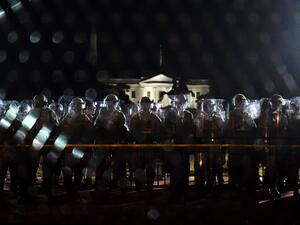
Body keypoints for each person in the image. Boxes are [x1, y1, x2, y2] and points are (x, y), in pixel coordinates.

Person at [94, 94, 129, 200]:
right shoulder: (101, 114)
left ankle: (121, 191)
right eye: (108, 102)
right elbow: (96, 128)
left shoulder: (120, 115)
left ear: (116, 103)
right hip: (103, 145)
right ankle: (101, 191)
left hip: (116, 145)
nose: (110, 104)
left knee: (119, 169)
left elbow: (123, 130)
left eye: (113, 102)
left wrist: (118, 142)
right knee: (101, 169)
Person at [163, 94, 194, 199]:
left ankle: (184, 191)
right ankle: (174, 191)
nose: (179, 105)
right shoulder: (170, 115)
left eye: (182, 102)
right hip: (174, 146)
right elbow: (167, 130)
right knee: (175, 169)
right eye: (177, 102)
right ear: (174, 103)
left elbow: (191, 129)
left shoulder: (188, 115)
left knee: (184, 168)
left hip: (184, 146)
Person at [129, 96, 163, 192]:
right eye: (143, 103)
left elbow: (159, 132)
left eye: (147, 103)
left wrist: (153, 136)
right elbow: (132, 132)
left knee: (150, 170)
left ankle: (149, 189)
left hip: (150, 146)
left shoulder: (155, 118)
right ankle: (138, 189)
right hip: (138, 147)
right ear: (140, 105)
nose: (145, 105)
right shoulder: (135, 118)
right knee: (138, 169)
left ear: (150, 105)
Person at [227, 94, 257, 194]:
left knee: (246, 169)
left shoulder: (248, 114)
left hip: (245, 147)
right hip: (234, 146)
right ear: (235, 103)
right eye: (238, 101)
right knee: (234, 169)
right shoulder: (231, 114)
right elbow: (228, 129)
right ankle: (234, 188)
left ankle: (245, 188)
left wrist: (247, 118)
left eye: (242, 101)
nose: (240, 103)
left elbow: (254, 127)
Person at [194, 99, 225, 192]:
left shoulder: (217, 116)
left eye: (211, 106)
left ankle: (220, 184)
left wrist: (215, 120)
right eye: (207, 106)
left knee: (217, 166)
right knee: (206, 166)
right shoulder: (200, 117)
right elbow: (198, 132)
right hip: (205, 146)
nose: (209, 108)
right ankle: (207, 185)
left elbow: (222, 127)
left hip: (216, 145)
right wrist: (203, 123)